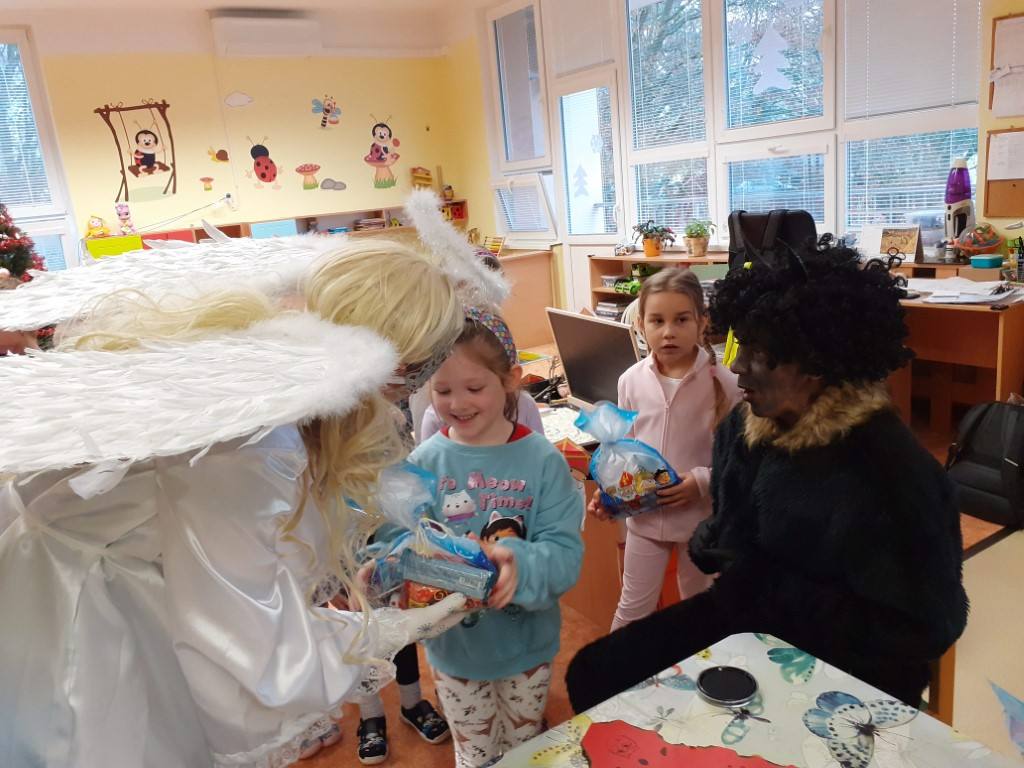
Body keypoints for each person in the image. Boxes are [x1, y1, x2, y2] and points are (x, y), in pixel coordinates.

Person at [0, 234, 492, 768]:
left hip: (97, 592)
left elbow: (248, 555)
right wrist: (387, 630)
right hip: (95, 631)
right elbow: (250, 651)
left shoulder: (263, 390)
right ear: (394, 368)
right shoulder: (253, 444)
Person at [566, 245, 968, 713]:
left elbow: (926, 626)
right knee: (594, 675)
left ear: (814, 363)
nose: (737, 366)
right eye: (740, 348)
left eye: (758, 354)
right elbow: (729, 538)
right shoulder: (743, 430)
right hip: (748, 616)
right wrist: (714, 540)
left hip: (850, 663)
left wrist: (781, 597)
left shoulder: (892, 468)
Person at [407, 308, 584, 768]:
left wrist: (516, 563)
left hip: (526, 649)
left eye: (474, 388)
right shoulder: (423, 464)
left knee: (526, 750)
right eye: (442, 390)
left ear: (510, 380)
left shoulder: (542, 461)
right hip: (455, 652)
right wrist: (382, 567)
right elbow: (401, 546)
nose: (457, 403)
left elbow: (565, 555)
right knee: (474, 754)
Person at [589, 268, 740, 631]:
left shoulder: (729, 383)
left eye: (681, 319)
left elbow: (739, 462)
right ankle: (618, 668)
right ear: (640, 324)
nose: (669, 331)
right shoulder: (630, 381)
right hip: (644, 520)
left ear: (702, 322)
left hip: (701, 524)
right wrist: (609, 493)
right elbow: (624, 453)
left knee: (701, 615)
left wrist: (700, 482)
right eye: (657, 320)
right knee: (632, 610)